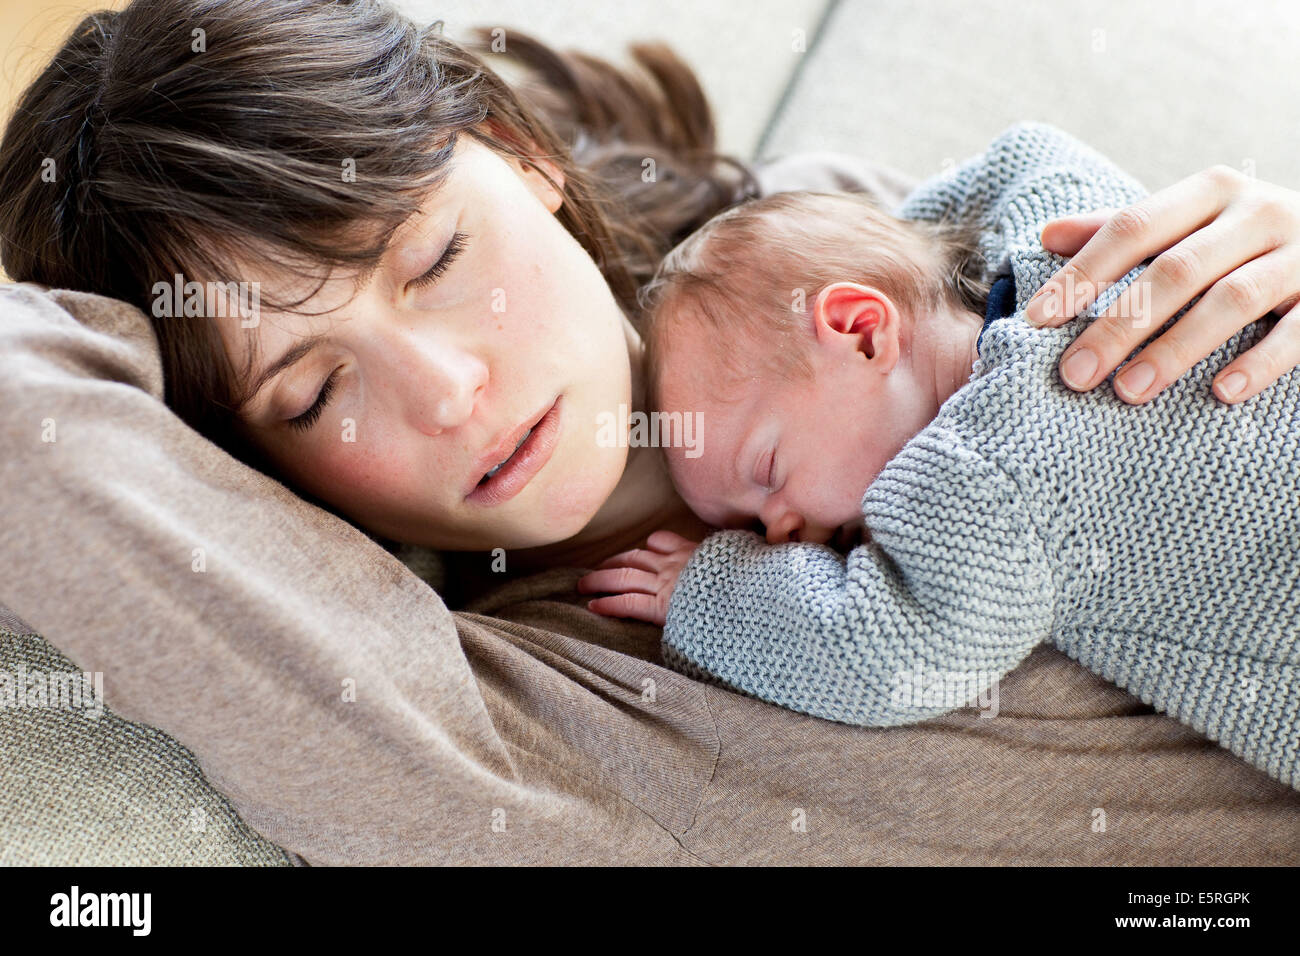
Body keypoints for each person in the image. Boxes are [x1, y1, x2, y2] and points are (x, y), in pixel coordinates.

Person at [2, 0, 1300, 862]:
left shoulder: (815, 227)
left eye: (438, 255)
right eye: (311, 391)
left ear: (516, 153)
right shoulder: (509, 714)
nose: (448, 386)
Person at [578, 123, 1299, 788]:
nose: (773, 531)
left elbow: (887, 655)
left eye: (767, 475)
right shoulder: (1061, 244)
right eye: (744, 524)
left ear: (863, 332)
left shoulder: (984, 476)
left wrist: (709, 589)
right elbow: (1027, 152)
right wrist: (907, 242)